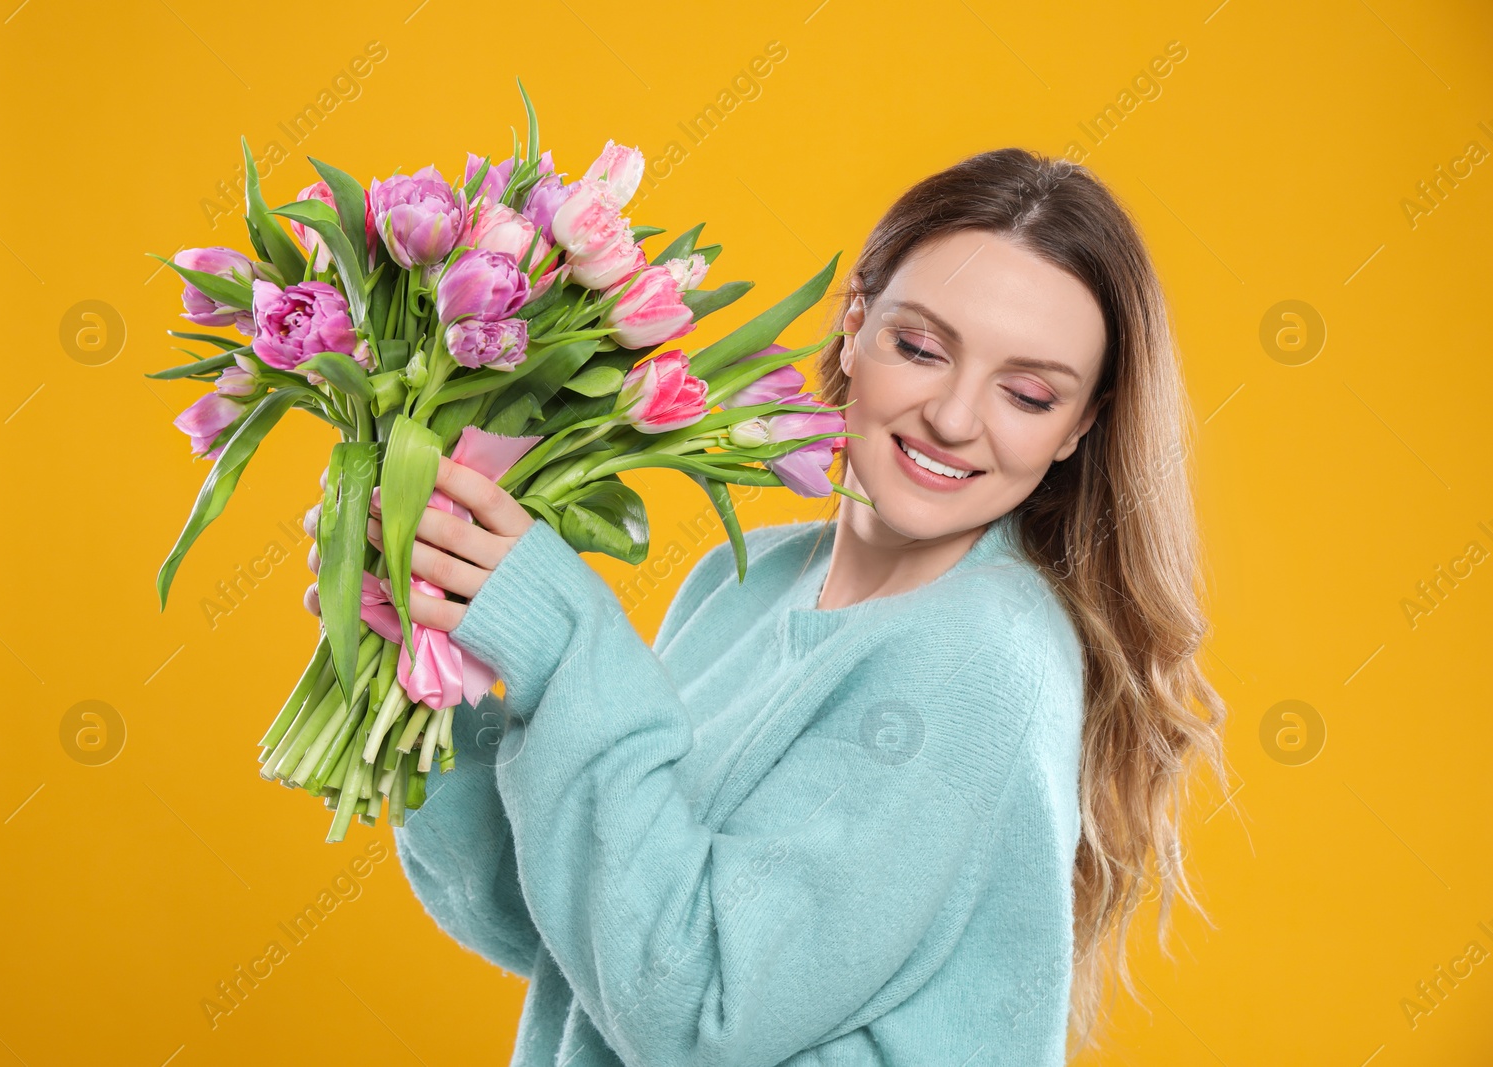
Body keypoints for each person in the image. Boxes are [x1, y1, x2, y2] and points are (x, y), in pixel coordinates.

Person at [304, 147, 1231, 1065]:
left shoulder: (987, 657)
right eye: (919, 346)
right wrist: (432, 670)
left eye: (1028, 394)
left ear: (1079, 428)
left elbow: (694, 1012)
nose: (955, 417)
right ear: (854, 327)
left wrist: (569, 641)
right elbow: (574, 934)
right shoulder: (739, 582)